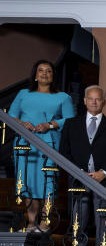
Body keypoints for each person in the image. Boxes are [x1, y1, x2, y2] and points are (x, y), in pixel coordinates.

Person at [7, 59, 75, 231]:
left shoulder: (63, 97)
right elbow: (11, 116)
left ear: (53, 76)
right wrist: (22, 124)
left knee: (47, 182)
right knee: (28, 182)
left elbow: (71, 121)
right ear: (35, 75)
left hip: (49, 143)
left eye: (49, 71)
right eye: (41, 70)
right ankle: (30, 222)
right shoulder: (23, 94)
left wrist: (50, 124)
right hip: (25, 144)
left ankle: (45, 222)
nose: (44, 74)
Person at [58, 85, 106, 246]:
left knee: (103, 222)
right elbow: (64, 152)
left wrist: (104, 172)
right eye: (90, 98)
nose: (94, 102)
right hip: (78, 180)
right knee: (77, 218)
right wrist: (78, 172)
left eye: (98, 99)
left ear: (104, 102)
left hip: (104, 181)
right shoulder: (71, 123)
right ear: (84, 101)